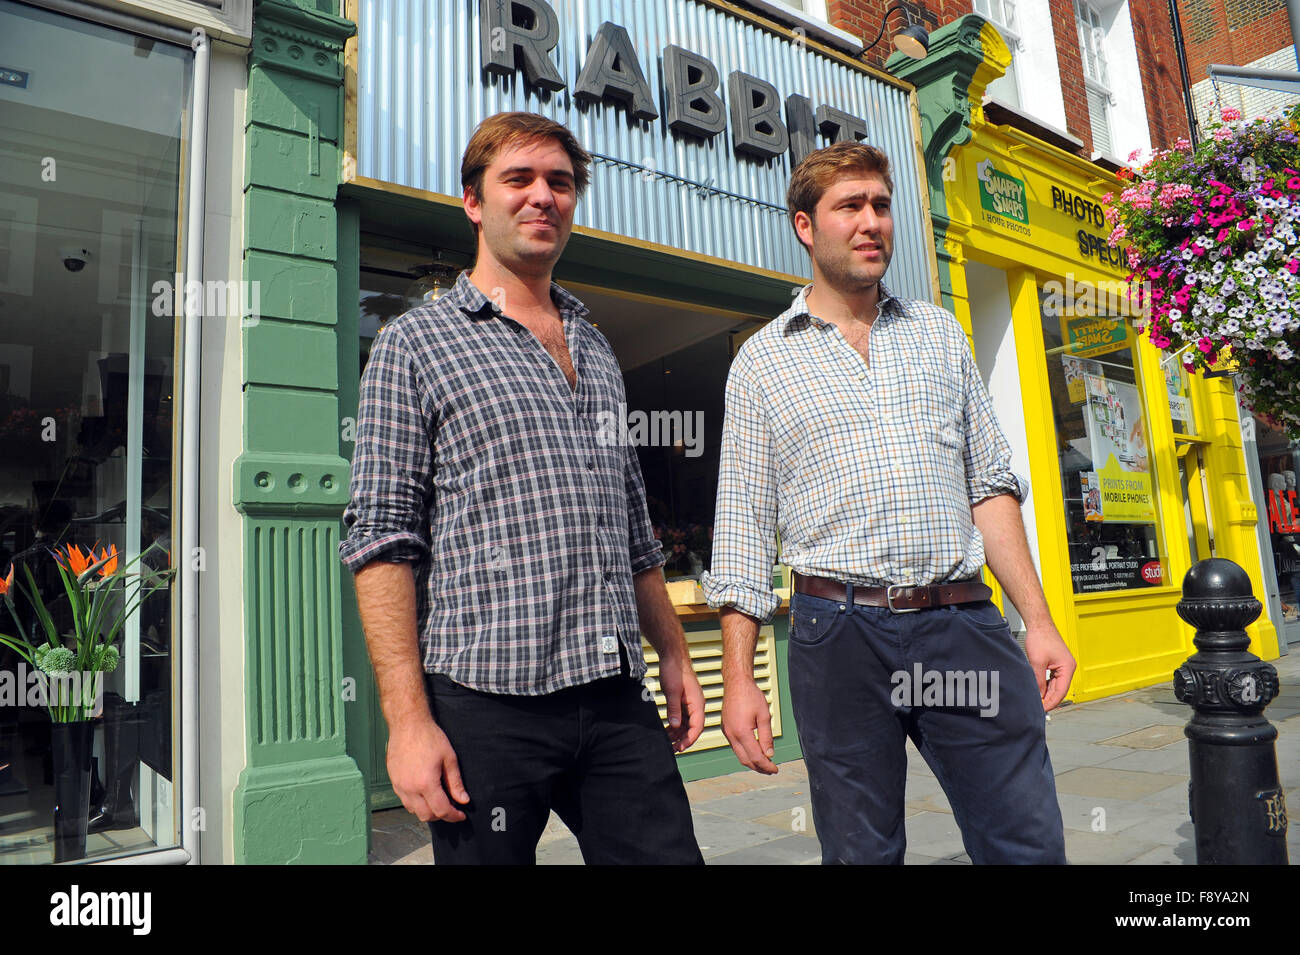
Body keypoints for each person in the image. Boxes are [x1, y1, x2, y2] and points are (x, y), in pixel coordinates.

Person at [340, 111, 705, 865]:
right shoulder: (416, 344)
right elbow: (381, 537)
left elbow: (633, 525)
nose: (543, 196)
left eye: (561, 182)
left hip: (612, 692)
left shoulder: (597, 347)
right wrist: (408, 721)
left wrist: (672, 649)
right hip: (484, 703)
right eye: (519, 179)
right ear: (474, 201)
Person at [703, 141, 1074, 865]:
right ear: (806, 226)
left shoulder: (938, 333)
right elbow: (741, 527)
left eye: (880, 204)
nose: (871, 221)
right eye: (850, 206)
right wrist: (741, 680)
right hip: (836, 635)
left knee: (1024, 840)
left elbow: (989, 486)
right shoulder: (762, 360)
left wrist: (1038, 619)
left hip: (962, 621)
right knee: (860, 851)